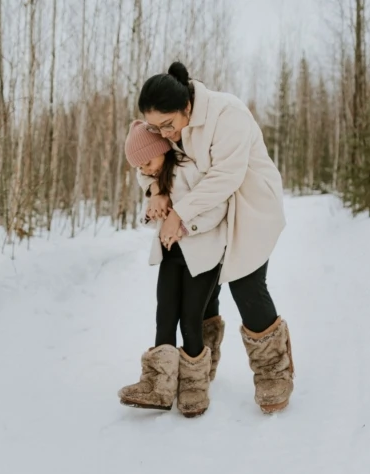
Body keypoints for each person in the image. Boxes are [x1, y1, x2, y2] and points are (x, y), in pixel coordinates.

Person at [135, 61, 294, 414]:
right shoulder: (166, 124)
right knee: (201, 284)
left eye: (168, 125)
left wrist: (177, 214)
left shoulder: (227, 114)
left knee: (245, 284)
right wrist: (154, 190)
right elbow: (148, 158)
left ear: (187, 107)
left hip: (247, 206)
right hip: (203, 213)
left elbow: (226, 176)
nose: (165, 133)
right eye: (157, 126)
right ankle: (198, 369)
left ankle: (273, 372)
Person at [117, 120, 229, 418]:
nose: (145, 170)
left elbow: (217, 209)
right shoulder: (157, 176)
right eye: (139, 167)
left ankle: (194, 384)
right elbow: (150, 188)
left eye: (148, 163)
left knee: (190, 317)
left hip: (203, 255)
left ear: (163, 151)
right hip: (171, 255)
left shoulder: (190, 169)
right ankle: (159, 384)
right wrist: (154, 204)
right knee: (165, 313)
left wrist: (181, 223)